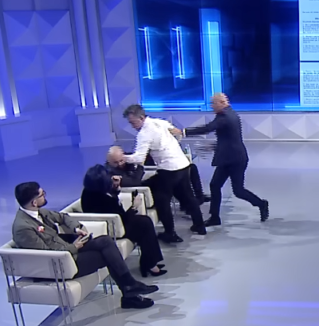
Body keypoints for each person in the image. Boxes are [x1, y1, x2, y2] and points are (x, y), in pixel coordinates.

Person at [11, 182, 158, 309]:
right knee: (108, 255)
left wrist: (76, 228)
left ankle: (130, 288)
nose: (45, 196)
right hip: (60, 263)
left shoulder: (39, 212)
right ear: (34, 202)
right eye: (42, 194)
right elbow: (45, 254)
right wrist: (74, 247)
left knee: (106, 241)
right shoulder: (23, 227)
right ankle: (129, 292)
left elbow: (63, 217)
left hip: (67, 250)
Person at [122, 105, 206, 242]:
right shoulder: (160, 122)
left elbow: (139, 158)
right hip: (183, 164)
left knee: (162, 200)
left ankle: (170, 233)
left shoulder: (144, 133)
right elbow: (176, 133)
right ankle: (200, 225)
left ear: (141, 118)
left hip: (169, 169)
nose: (132, 126)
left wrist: (122, 157)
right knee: (188, 196)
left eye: (133, 122)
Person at [183, 93, 269, 226]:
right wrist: (214, 146)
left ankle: (261, 204)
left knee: (238, 190)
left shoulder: (225, 117)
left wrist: (184, 132)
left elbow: (207, 128)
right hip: (228, 158)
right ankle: (214, 217)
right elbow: (229, 137)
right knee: (215, 185)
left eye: (213, 103)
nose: (211, 106)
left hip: (235, 160)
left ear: (221, 103)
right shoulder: (229, 113)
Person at [81, 164, 167, 278]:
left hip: (112, 223)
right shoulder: (102, 198)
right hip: (112, 228)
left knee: (144, 223)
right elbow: (122, 217)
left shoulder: (88, 192)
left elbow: (115, 210)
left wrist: (115, 191)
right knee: (145, 224)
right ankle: (149, 264)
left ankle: (149, 262)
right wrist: (134, 206)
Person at [107, 146, 210, 205]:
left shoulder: (129, 159)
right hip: (140, 188)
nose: (120, 164)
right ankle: (189, 203)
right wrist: (140, 167)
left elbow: (144, 162)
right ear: (109, 161)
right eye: (116, 162)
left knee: (190, 168)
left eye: (121, 160)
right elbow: (135, 181)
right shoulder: (111, 172)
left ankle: (198, 197)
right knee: (167, 178)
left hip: (147, 178)